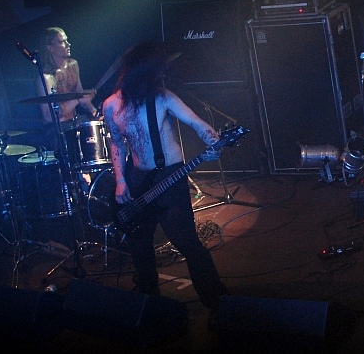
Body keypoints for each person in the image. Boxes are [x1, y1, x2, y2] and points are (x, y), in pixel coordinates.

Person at [102, 40, 228, 319]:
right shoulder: (111, 105)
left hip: (170, 176)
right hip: (136, 178)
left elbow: (196, 123)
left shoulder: (163, 97)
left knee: (185, 241)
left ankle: (217, 301)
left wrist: (212, 140)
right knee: (139, 242)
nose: (161, 75)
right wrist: (120, 180)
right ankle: (149, 300)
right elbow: (117, 144)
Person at [36, 27, 99, 126]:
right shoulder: (46, 78)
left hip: (75, 121)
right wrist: (78, 99)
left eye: (67, 40)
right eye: (62, 42)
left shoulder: (73, 65)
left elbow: (79, 94)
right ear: (50, 48)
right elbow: (49, 116)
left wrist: (93, 111)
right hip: (57, 128)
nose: (68, 44)